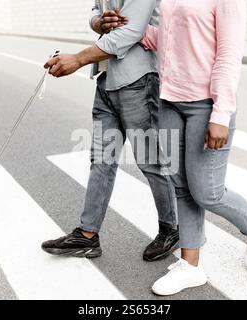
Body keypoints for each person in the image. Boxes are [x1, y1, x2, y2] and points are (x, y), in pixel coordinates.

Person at [134, 0, 247, 296]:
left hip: (206, 105)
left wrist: (221, 113)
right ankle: (191, 267)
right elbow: (169, 39)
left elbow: (228, 54)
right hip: (169, 101)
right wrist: (132, 30)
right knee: (181, 187)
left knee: (207, 192)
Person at [41, 0, 180, 262]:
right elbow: (96, 9)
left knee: (150, 161)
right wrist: (98, 22)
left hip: (137, 80)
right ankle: (87, 235)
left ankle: (171, 228)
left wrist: (78, 59)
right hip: (107, 80)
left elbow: (131, 31)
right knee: (101, 160)